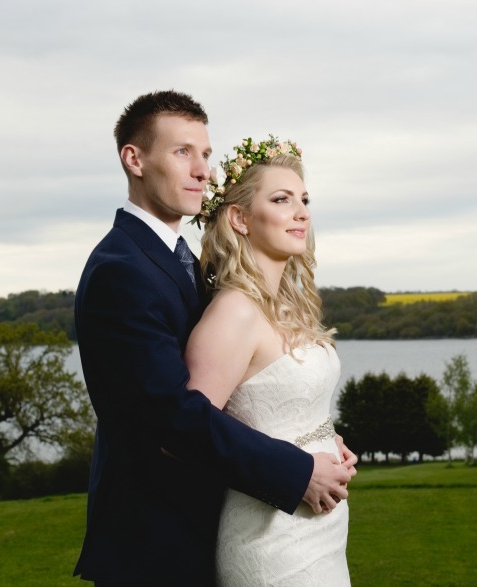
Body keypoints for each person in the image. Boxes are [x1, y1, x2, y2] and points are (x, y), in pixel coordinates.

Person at [73, 90, 356, 586]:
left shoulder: (190, 267)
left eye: (205, 153)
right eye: (183, 152)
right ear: (134, 159)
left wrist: (314, 438)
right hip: (155, 546)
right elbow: (172, 419)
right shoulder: (120, 271)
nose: (203, 170)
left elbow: (243, 389)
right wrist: (297, 470)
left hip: (216, 525)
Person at [185, 136, 352, 585]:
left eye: (304, 200)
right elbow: (191, 431)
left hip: (322, 531)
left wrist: (325, 439)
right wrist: (299, 468)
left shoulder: (285, 308)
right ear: (239, 218)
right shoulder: (234, 312)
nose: (302, 212)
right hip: (271, 536)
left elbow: (281, 408)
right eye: (281, 200)